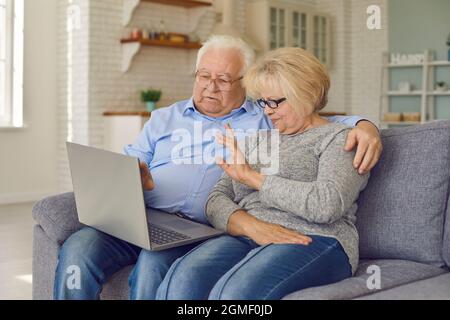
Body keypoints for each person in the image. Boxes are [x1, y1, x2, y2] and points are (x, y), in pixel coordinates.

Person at [54, 36, 381, 300]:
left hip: (197, 231)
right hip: (143, 216)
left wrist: (366, 125)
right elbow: (221, 192)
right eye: (204, 76)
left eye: (223, 79)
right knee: (79, 248)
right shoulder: (165, 118)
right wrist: (129, 176)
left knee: (158, 268)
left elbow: (317, 126)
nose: (211, 87)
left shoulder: (259, 122)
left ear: (244, 85)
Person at [155, 47, 370, 300]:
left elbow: (326, 205)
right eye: (263, 101)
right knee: (184, 275)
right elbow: (215, 199)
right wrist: (250, 225)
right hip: (249, 234)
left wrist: (253, 178)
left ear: (307, 94)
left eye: (275, 102)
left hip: (317, 238)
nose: (267, 111)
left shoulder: (339, 139)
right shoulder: (258, 141)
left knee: (235, 293)